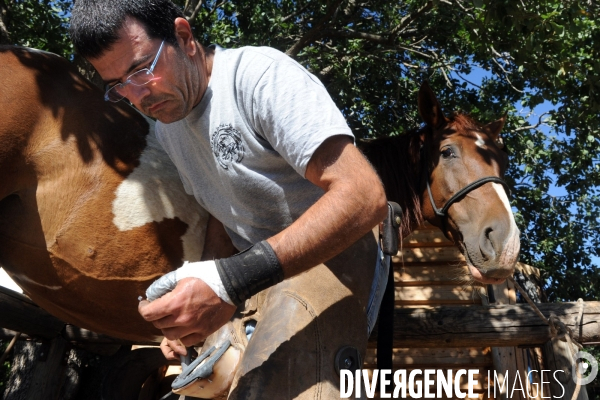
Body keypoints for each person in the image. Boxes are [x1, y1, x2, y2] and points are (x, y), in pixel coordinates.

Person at [70, 1, 388, 398]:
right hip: (256, 276)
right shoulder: (170, 129)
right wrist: (196, 304)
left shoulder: (260, 76)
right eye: (118, 86)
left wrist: (230, 282)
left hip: (335, 254)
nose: (137, 96)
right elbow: (222, 213)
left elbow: (363, 195)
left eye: (141, 70)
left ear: (184, 38)